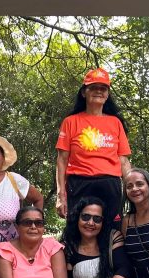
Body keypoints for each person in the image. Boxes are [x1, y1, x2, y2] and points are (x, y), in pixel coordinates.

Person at [55, 68, 132, 223]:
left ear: (107, 94)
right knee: (77, 229)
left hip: (110, 185)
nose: (99, 91)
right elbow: (62, 160)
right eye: (93, 87)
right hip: (79, 183)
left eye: (103, 88)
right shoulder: (70, 121)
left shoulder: (115, 123)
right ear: (84, 92)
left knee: (111, 230)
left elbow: (123, 161)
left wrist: (132, 187)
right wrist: (60, 195)